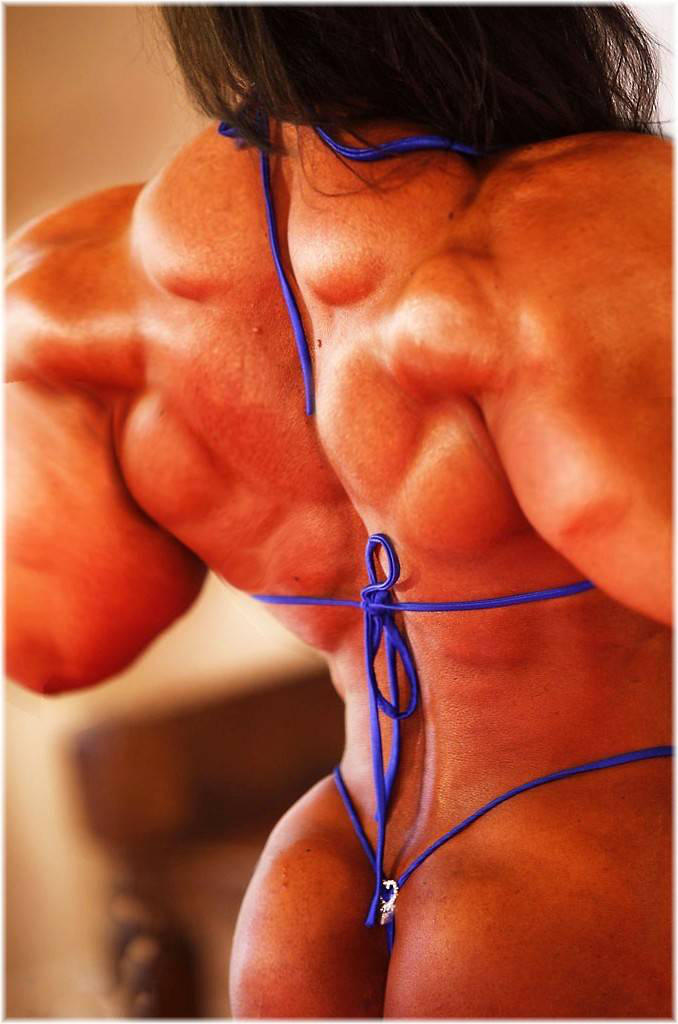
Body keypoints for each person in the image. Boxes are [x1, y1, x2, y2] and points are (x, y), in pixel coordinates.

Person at [6, 6, 671, 1017]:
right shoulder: (579, 214)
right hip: (567, 885)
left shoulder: (71, 288)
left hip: (319, 884)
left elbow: (52, 645)